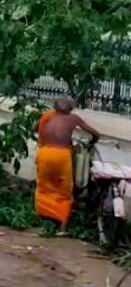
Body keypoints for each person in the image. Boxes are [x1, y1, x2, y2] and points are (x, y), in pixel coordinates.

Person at [35, 97, 100, 235]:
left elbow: (35, 128)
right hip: (61, 155)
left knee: (44, 186)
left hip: (44, 153)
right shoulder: (73, 118)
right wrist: (93, 141)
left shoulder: (47, 116)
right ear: (70, 108)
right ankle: (62, 228)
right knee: (64, 190)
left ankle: (44, 220)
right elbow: (95, 133)